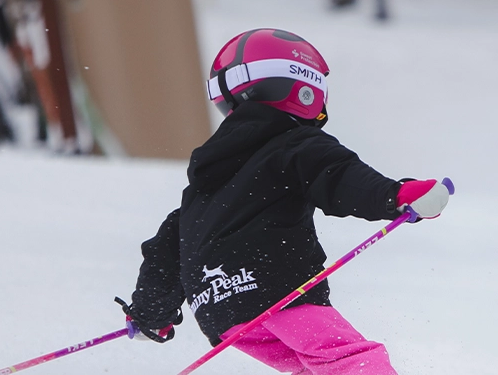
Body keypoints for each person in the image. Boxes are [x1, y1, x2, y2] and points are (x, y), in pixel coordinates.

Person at [115, 28, 453, 374]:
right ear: (301, 86)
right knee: (350, 361)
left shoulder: (207, 183)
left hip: (220, 312)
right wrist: (394, 196)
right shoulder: (294, 143)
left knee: (314, 368)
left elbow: (167, 247)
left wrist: (150, 312)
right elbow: (337, 175)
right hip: (277, 292)